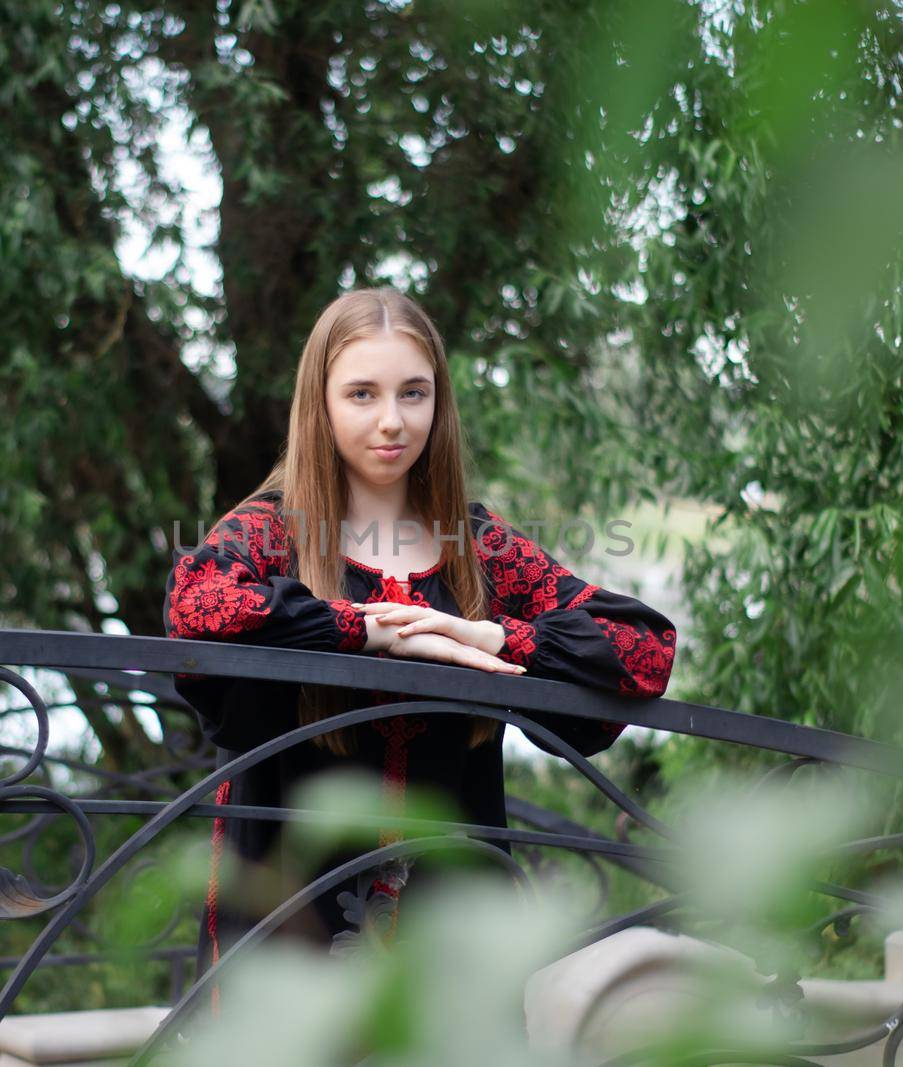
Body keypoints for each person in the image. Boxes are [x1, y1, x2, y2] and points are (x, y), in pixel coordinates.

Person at [162, 287, 676, 989]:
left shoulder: (477, 546)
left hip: (453, 927)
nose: (392, 420)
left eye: (414, 392)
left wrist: (494, 636)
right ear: (321, 403)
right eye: (362, 394)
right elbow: (196, 603)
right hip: (292, 917)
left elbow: (643, 650)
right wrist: (368, 630)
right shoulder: (273, 531)